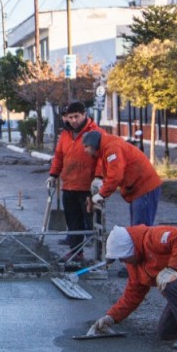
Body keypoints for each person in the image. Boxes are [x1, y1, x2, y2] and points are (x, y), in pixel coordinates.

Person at [89, 225, 177, 349]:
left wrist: (172, 268)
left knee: (170, 282)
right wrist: (111, 318)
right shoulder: (135, 265)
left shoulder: (153, 237)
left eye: (122, 257)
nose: (121, 261)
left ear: (131, 249)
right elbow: (132, 296)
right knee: (167, 333)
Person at [48, 101, 101, 260]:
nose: (73, 120)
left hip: (88, 188)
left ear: (85, 114)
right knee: (73, 222)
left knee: (93, 223)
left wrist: (98, 178)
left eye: (76, 116)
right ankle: (76, 253)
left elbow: (101, 158)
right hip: (69, 186)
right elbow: (59, 156)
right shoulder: (65, 134)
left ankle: (100, 255)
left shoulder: (95, 133)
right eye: (70, 117)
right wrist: (53, 174)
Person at [83, 129, 162, 226]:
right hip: (139, 187)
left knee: (140, 228)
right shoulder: (107, 147)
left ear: (93, 144)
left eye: (86, 146)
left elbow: (115, 175)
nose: (85, 150)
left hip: (144, 187)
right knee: (137, 227)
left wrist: (102, 194)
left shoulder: (112, 148)